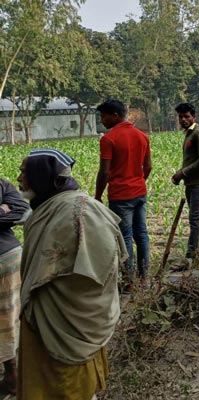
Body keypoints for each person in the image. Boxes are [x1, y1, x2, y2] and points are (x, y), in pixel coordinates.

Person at [16, 148, 124, 399]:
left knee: (70, 385)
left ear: (43, 175)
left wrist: (58, 278)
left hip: (70, 321)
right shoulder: (47, 207)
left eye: (25, 172)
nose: (20, 178)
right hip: (43, 317)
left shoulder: (81, 212)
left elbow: (102, 267)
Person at [94, 100, 152, 291]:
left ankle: (129, 282)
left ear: (115, 116)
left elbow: (104, 171)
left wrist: (98, 194)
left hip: (120, 195)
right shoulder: (142, 136)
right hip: (139, 192)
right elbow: (148, 166)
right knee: (141, 234)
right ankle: (144, 279)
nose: (102, 120)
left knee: (124, 237)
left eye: (104, 116)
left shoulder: (108, 139)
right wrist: (138, 181)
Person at [171, 103, 199, 267]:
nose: (183, 119)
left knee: (194, 218)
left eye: (187, 116)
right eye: (181, 117)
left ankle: (190, 255)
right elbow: (193, 159)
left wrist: (183, 172)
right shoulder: (189, 134)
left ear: (194, 117)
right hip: (191, 181)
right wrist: (181, 174)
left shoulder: (198, 133)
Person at [0, 179, 29, 395]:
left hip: (7, 258)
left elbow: (22, 209)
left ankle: (12, 375)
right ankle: (12, 373)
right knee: (9, 318)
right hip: (10, 255)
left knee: (8, 318)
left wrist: (9, 209)